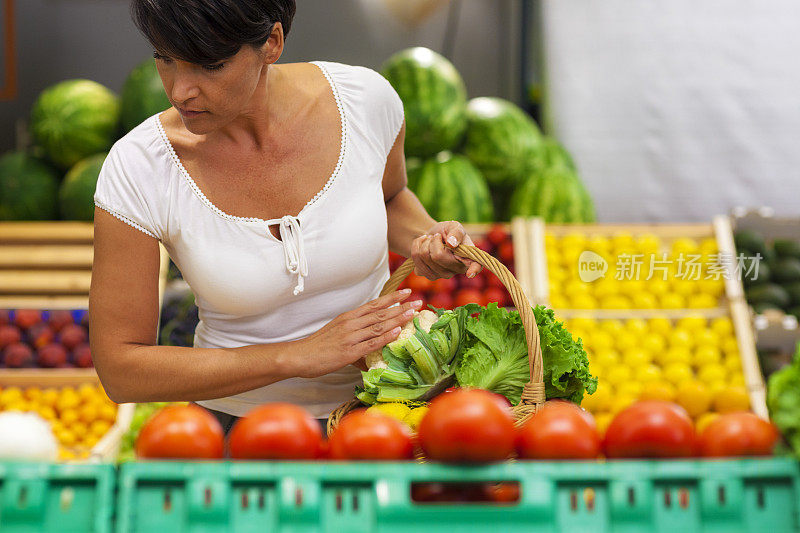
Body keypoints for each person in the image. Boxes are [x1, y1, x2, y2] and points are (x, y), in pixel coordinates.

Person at [89, 0, 481, 433]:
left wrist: (429, 239)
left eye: (210, 65)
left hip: (385, 414)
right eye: (164, 59)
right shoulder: (140, 167)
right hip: (238, 428)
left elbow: (390, 199)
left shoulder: (365, 102)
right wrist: (295, 355)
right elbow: (121, 368)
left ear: (271, 42)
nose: (180, 90)